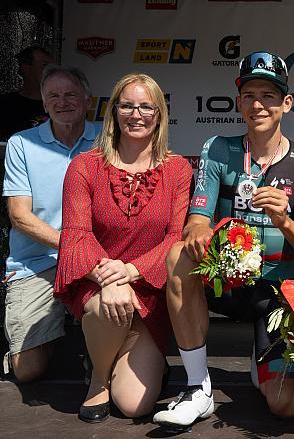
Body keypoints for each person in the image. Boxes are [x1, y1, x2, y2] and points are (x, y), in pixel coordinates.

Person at [153, 51, 294, 428]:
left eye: (270, 95)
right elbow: (197, 218)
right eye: (250, 95)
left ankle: (260, 362)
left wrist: (284, 218)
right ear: (239, 101)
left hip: (275, 293)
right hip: (223, 282)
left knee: (285, 405)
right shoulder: (219, 148)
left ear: (287, 103)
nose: (258, 104)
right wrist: (198, 230)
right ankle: (198, 388)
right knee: (180, 253)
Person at [53, 73, 192, 423]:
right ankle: (98, 377)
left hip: (148, 290)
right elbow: (75, 235)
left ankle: (134, 358)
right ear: (114, 111)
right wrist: (110, 278)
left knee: (133, 405)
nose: (136, 113)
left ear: (159, 114)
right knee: (104, 307)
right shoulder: (84, 166)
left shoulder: (178, 169)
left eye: (146, 106)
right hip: (99, 285)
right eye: (127, 105)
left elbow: (175, 237)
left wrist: (131, 272)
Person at [2, 65, 98, 382]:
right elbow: (19, 215)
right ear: (43, 104)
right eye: (53, 95)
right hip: (37, 262)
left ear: (87, 100)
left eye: (71, 94)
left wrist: (87, 256)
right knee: (28, 371)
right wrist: (72, 248)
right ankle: (56, 336)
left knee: (112, 336)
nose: (62, 101)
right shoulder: (21, 143)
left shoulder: (109, 140)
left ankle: (96, 346)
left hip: (97, 261)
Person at [0, 46, 55, 142]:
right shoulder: (5, 104)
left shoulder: (60, 104)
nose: (50, 71)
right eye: (44, 65)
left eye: (52, 67)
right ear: (26, 69)